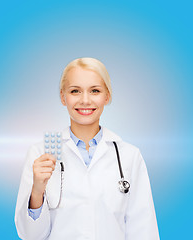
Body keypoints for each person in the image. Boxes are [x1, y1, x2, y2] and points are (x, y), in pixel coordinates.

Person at [15, 57, 160, 240]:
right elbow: (30, 235)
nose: (85, 100)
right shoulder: (40, 154)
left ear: (107, 96)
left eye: (95, 91)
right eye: (75, 91)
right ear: (63, 97)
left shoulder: (129, 156)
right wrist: (37, 190)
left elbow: (144, 230)